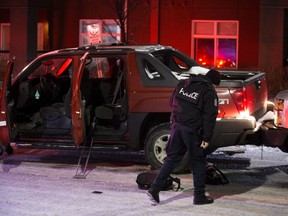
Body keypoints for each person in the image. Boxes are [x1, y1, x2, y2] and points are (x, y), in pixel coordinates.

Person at [147, 69, 221, 205]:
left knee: (172, 159)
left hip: (177, 126)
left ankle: (155, 188)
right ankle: (199, 196)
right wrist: (206, 138)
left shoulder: (184, 84)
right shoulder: (208, 91)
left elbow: (171, 102)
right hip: (192, 130)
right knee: (198, 162)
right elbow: (209, 117)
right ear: (214, 82)